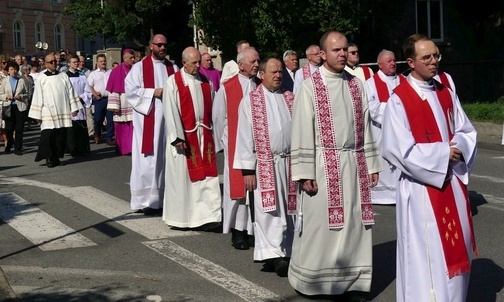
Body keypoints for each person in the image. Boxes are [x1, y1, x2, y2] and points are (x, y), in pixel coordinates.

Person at [380, 33, 477, 302]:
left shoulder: (445, 90)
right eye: (427, 57)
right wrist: (443, 153)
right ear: (410, 62)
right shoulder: (400, 99)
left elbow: (466, 130)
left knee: (457, 249)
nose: (434, 61)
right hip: (421, 190)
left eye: (436, 55)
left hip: (452, 185)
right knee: (428, 258)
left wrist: (459, 147)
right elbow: (396, 150)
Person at [288, 31, 382, 301]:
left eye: (345, 49)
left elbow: (366, 126)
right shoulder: (310, 86)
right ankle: (317, 282)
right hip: (322, 165)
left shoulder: (356, 84)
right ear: (323, 53)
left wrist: (372, 164)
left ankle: (354, 283)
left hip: (353, 163)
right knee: (322, 227)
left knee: (355, 224)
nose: (342, 54)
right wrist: (304, 172)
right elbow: (301, 129)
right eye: (336, 50)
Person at [233, 57, 296, 277]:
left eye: (280, 72)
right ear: (262, 75)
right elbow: (243, 136)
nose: (278, 75)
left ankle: (286, 250)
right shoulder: (251, 101)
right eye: (273, 72)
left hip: (288, 162)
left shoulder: (290, 97)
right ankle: (275, 254)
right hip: (265, 164)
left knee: (289, 209)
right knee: (268, 210)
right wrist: (248, 170)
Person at [162, 46, 221, 228]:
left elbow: (213, 109)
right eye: (194, 63)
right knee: (185, 180)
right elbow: (170, 111)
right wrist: (177, 136)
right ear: (184, 63)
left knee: (208, 178)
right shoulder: (173, 82)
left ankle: (208, 217)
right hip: (184, 138)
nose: (198, 66)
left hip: (204, 135)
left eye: (199, 62)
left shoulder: (205, 81)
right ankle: (182, 219)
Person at [212, 47, 261, 250]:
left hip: (259, 146)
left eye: (258, 61)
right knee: (238, 190)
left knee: (257, 189)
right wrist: (223, 142)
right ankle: (238, 231)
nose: (257, 64)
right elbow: (218, 117)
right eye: (253, 61)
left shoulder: (260, 85)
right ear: (241, 65)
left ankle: (254, 230)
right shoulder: (227, 87)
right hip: (235, 144)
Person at [125, 34, 178, 215]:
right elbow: (130, 90)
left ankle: (164, 199)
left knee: (166, 160)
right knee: (147, 161)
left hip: (168, 123)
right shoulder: (139, 68)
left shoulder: (173, 68)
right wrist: (152, 92)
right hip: (147, 121)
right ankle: (144, 200)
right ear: (151, 46)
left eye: (164, 45)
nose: (163, 48)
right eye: (159, 45)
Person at [364, 49, 405, 205]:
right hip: (381, 132)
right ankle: (381, 195)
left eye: (394, 60)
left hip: (401, 132)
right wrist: (396, 112)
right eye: (389, 61)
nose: (393, 63)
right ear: (380, 64)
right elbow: (372, 109)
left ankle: (401, 192)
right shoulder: (370, 84)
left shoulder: (404, 80)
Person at [28, 53, 82, 167]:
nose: (54, 63)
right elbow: (37, 96)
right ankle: (49, 158)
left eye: (55, 61)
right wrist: (37, 115)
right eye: (51, 62)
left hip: (62, 110)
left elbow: (70, 92)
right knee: (48, 136)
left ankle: (56, 158)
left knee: (60, 136)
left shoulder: (63, 76)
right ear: (46, 64)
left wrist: (74, 107)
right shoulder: (41, 78)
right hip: (47, 111)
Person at [106, 49, 135, 155]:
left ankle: (131, 148)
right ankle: (121, 148)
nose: (133, 60)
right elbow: (113, 90)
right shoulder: (117, 71)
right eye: (131, 58)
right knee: (121, 127)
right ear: (124, 58)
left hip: (132, 102)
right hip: (122, 102)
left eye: (133, 57)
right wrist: (115, 106)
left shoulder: (135, 69)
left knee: (132, 127)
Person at [66, 55, 92, 157]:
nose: (76, 64)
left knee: (81, 126)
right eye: (74, 62)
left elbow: (88, 91)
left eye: (77, 62)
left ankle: (82, 148)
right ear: (68, 64)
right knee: (71, 128)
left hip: (80, 104)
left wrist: (82, 97)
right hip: (70, 105)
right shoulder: (65, 77)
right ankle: (72, 149)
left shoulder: (82, 76)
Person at [0, 61, 28, 155]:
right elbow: (1, 94)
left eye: (15, 69)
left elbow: (27, 93)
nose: (14, 71)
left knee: (19, 128)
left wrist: (21, 96)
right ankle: (9, 144)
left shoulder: (21, 80)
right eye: (11, 69)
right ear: (8, 71)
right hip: (8, 106)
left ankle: (18, 148)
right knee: (9, 128)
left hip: (19, 106)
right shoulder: (4, 81)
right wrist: (7, 97)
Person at [88, 54, 113, 145]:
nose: (103, 63)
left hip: (109, 99)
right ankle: (97, 135)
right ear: (97, 63)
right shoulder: (93, 74)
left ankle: (109, 138)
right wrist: (94, 94)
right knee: (98, 119)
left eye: (104, 61)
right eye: (101, 61)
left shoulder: (110, 72)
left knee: (110, 120)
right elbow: (89, 86)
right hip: (99, 100)